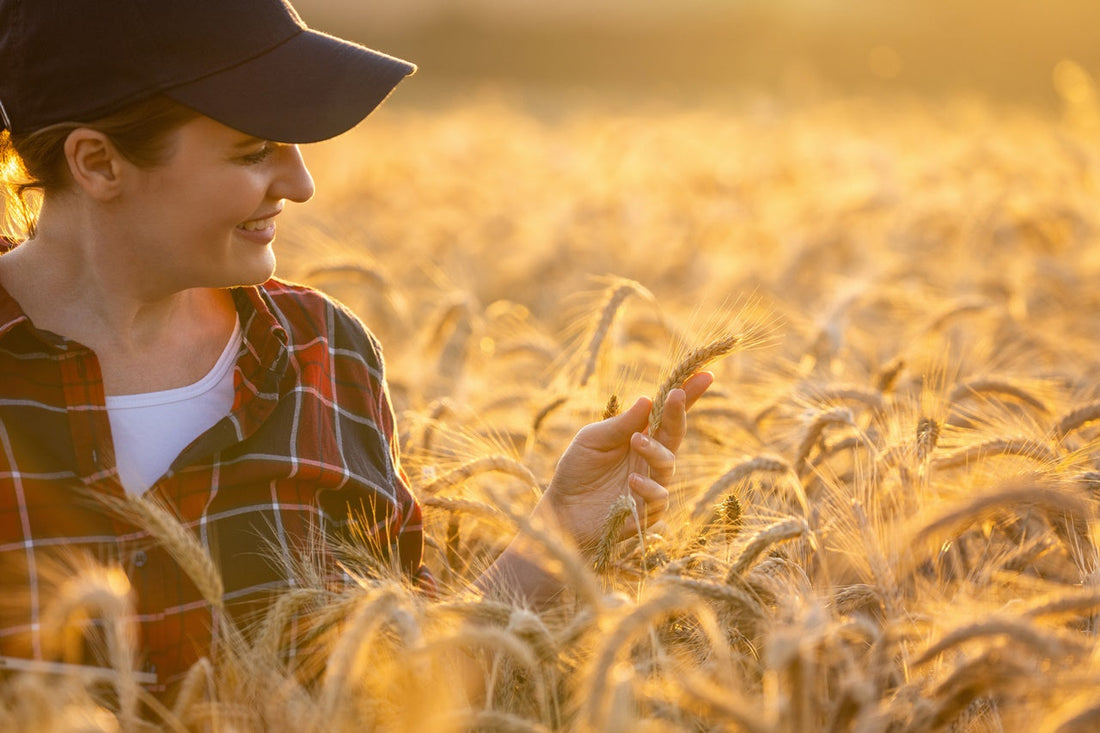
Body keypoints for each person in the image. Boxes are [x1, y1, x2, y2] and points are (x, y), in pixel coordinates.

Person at [0, 0, 712, 694]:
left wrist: (562, 531)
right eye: (253, 150)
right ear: (97, 163)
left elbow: (403, 670)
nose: (301, 183)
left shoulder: (326, 354)